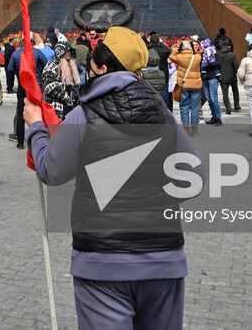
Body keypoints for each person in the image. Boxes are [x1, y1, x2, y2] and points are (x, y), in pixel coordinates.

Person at [26, 26, 198, 329]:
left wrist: (36, 128)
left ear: (103, 69)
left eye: (92, 67)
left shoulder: (83, 116)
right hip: (163, 259)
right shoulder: (164, 116)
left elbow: (52, 171)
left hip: (102, 263)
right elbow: (194, 177)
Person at [168, 39, 204, 131]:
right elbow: (198, 52)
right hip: (196, 85)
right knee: (195, 108)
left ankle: (186, 128)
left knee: (184, 107)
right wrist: (193, 50)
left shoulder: (179, 57)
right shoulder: (197, 57)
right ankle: (195, 129)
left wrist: (176, 49)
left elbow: (171, 56)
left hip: (184, 86)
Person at [213, 27, 240, 113]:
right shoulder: (232, 55)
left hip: (222, 76)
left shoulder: (217, 55)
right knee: (235, 90)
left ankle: (228, 108)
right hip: (232, 76)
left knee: (225, 93)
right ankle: (236, 105)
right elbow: (237, 66)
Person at [200, 37, 224, 125]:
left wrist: (208, 64)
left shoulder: (215, 52)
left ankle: (218, 118)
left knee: (214, 98)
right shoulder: (203, 53)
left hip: (213, 77)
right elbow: (200, 64)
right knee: (209, 99)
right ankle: (214, 116)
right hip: (205, 77)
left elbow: (219, 63)